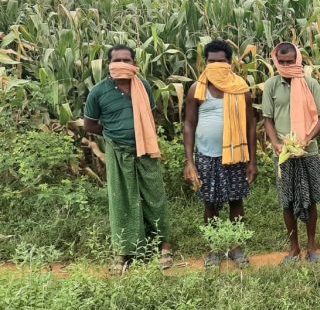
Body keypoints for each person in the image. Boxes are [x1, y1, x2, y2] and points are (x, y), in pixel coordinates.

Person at [84, 45, 171, 275]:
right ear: (109, 65)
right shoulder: (99, 92)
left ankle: (163, 246)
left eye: (127, 60)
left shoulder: (142, 87)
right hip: (117, 150)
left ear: (134, 64)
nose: (122, 64)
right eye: (117, 60)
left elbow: (150, 117)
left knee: (154, 195)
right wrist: (112, 132)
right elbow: (90, 125)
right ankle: (124, 251)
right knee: (122, 198)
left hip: (146, 149)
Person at [183, 39, 258, 269]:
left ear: (230, 63)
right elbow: (188, 125)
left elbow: (250, 125)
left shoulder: (240, 88)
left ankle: (236, 247)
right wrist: (189, 161)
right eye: (211, 61)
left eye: (221, 61)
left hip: (235, 156)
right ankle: (214, 249)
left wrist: (253, 161)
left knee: (236, 201)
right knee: (210, 204)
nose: (216, 65)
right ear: (205, 63)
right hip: (207, 155)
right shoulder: (198, 88)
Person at [262, 42, 320, 264]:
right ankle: (294, 248)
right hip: (283, 153)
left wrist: (307, 139)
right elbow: (267, 120)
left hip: (308, 152)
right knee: (287, 201)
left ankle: (312, 247)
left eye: (291, 61)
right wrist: (276, 144)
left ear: (298, 59)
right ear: (276, 61)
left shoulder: (310, 84)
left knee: (310, 200)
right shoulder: (271, 85)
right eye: (283, 62)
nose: (287, 65)